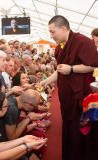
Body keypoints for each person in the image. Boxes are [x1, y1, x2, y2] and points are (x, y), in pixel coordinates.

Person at [41, 15, 98, 160]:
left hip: (81, 96)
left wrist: (71, 69)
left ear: (63, 28)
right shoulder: (61, 46)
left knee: (82, 128)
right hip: (67, 96)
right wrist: (45, 81)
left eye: (53, 32)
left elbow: (92, 64)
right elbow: (60, 69)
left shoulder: (82, 41)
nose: (51, 35)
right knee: (69, 127)